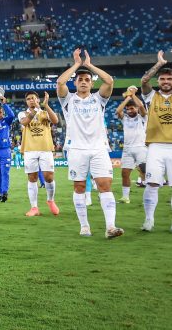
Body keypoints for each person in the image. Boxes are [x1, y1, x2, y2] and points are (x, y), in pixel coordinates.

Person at [57, 49, 123, 239]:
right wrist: (77, 64)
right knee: (79, 187)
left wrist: (89, 65)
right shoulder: (68, 100)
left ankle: (110, 226)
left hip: (99, 148)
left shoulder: (99, 99)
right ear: (75, 83)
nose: (84, 81)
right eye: (80, 79)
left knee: (104, 185)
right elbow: (60, 82)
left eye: (87, 79)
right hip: (76, 149)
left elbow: (109, 81)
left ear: (92, 83)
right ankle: (84, 226)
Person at [140, 50, 172, 232]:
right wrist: (159, 64)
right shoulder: (151, 96)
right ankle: (149, 220)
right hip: (155, 146)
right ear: (159, 81)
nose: (166, 82)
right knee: (151, 184)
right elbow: (144, 81)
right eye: (163, 79)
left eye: (169, 79)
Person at [18, 91, 60, 217]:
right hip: (30, 149)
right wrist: (35, 111)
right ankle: (34, 207)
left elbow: (56, 120)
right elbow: (25, 122)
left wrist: (46, 106)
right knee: (32, 178)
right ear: (26, 102)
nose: (31, 100)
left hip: (45, 148)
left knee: (49, 177)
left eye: (34, 98)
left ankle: (50, 200)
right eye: (29, 99)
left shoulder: (45, 113)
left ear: (38, 100)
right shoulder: (22, 114)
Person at [115, 86, 147, 204]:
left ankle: (148, 197)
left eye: (132, 108)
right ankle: (125, 197)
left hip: (140, 148)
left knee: (144, 171)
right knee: (125, 173)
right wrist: (127, 99)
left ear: (136, 109)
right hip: (127, 149)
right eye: (128, 109)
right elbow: (118, 111)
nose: (129, 111)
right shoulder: (125, 119)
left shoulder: (142, 117)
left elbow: (142, 107)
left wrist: (133, 95)